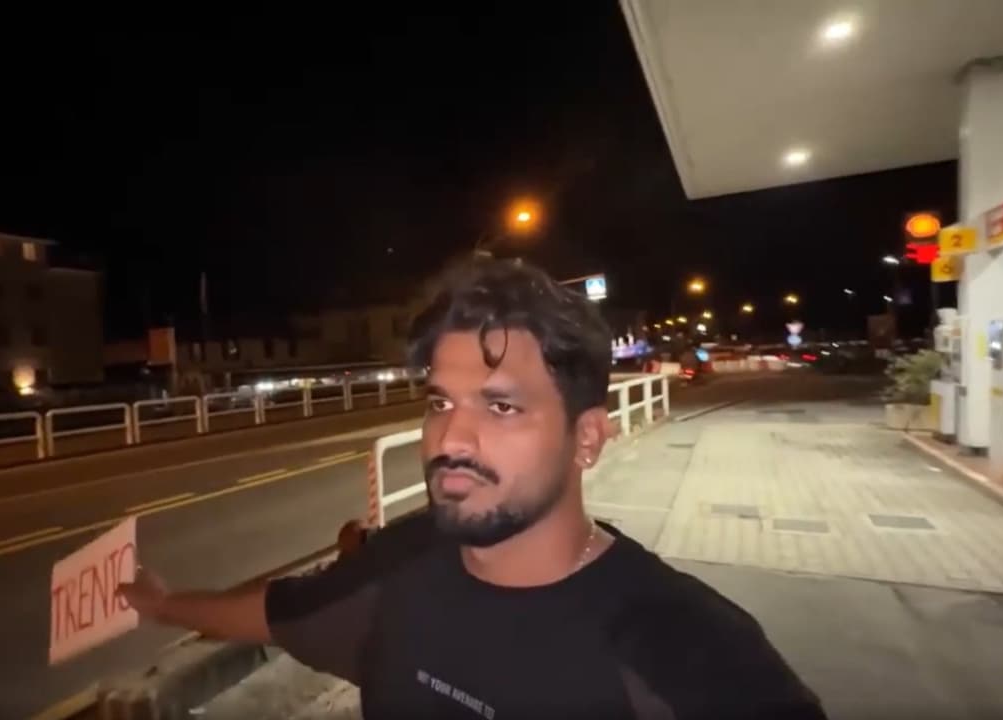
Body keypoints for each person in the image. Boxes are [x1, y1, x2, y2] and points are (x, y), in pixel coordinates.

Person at [120, 259, 826, 719]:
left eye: (502, 406)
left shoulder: (688, 650)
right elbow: (280, 612)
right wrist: (162, 604)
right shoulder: (399, 565)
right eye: (439, 402)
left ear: (587, 438)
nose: (450, 438)